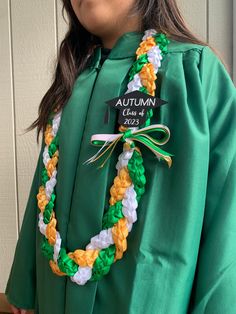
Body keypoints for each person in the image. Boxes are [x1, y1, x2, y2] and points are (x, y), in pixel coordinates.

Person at [5, 0, 236, 313]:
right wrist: (24, 285)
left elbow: (228, 214)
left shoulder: (192, 73)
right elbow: (44, 189)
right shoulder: (72, 83)